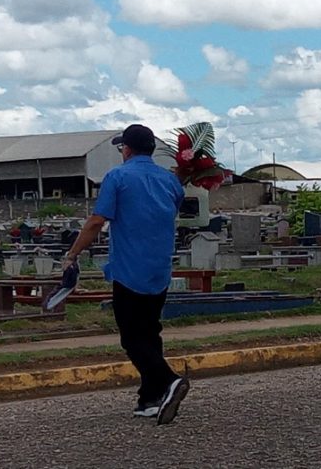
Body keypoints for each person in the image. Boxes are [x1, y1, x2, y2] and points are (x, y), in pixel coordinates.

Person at [64, 124, 189, 425]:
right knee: (150, 332)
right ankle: (150, 398)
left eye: (122, 148)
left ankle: (169, 380)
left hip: (129, 268)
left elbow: (97, 221)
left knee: (132, 339)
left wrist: (72, 254)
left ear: (127, 149)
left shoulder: (118, 176)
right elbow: (168, 210)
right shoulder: (170, 181)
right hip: (159, 269)